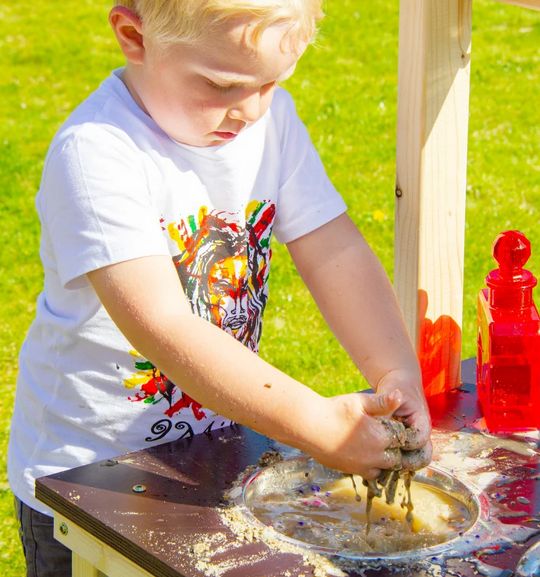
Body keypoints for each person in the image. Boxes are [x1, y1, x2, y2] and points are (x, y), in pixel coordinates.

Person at [8, 1, 432, 575]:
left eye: (273, 82)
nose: (251, 109)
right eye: (221, 84)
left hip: (210, 452)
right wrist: (314, 424)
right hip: (91, 477)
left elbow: (335, 251)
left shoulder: (271, 122)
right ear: (134, 36)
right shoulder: (97, 152)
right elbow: (162, 324)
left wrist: (396, 371)